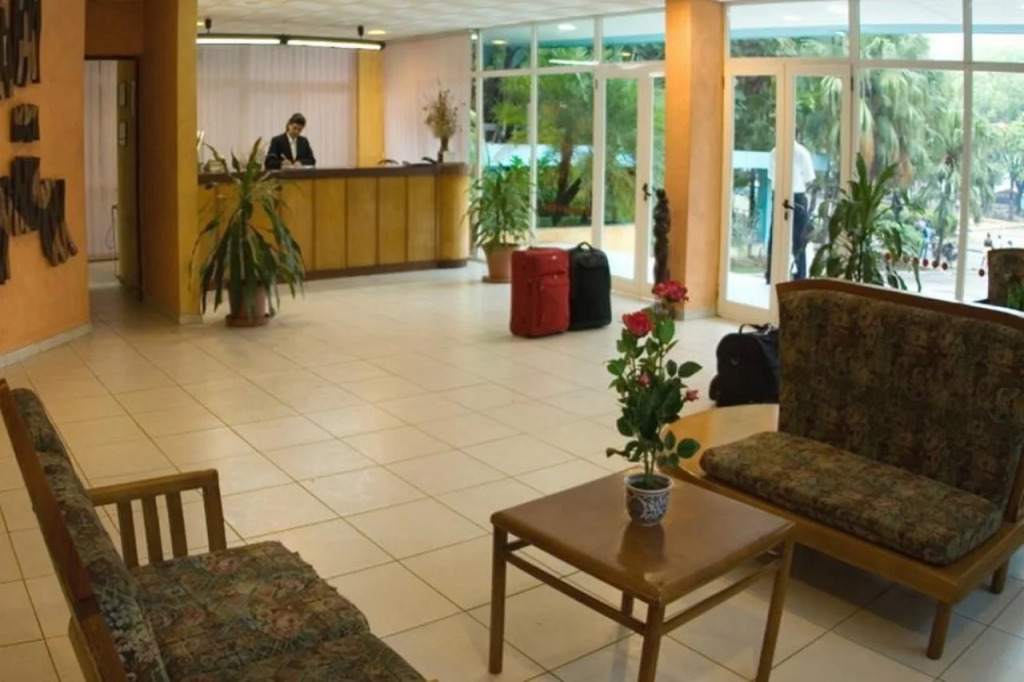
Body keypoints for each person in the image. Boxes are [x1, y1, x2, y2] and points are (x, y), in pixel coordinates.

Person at [765, 141, 816, 282]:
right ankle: (800, 274)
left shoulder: (775, 152)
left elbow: (772, 175)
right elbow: (809, 179)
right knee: (799, 237)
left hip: (779, 194)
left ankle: (771, 273)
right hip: (797, 196)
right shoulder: (802, 152)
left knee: (775, 235)